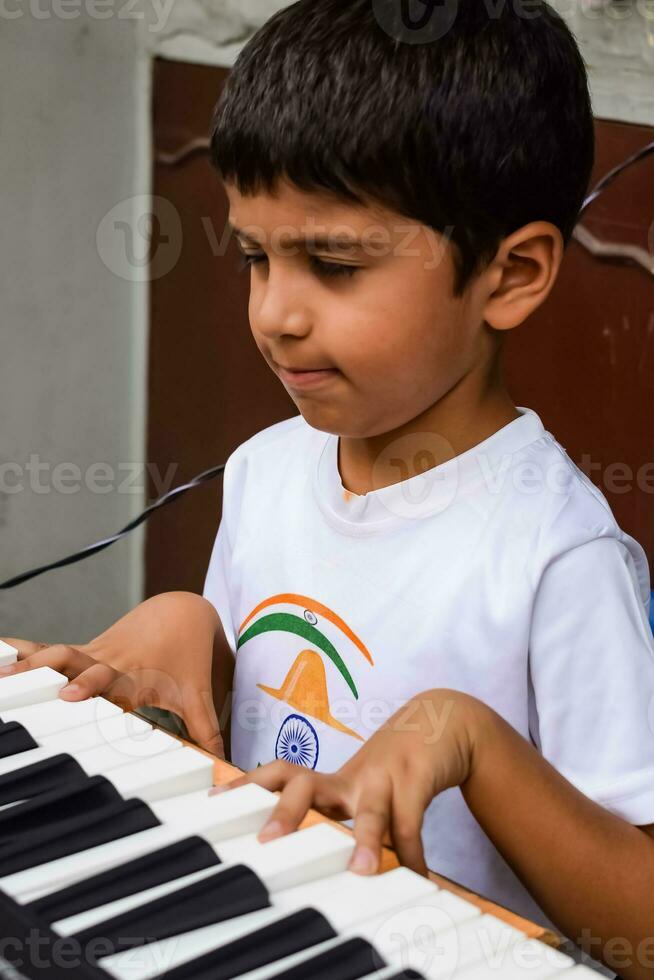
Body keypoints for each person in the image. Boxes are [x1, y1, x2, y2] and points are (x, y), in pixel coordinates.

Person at [3, 0, 654, 975]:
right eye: (257, 257)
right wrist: (194, 635)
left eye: (334, 265)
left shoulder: (559, 553)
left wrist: (469, 737)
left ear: (511, 275)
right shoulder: (270, 467)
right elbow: (280, 716)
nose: (275, 314)